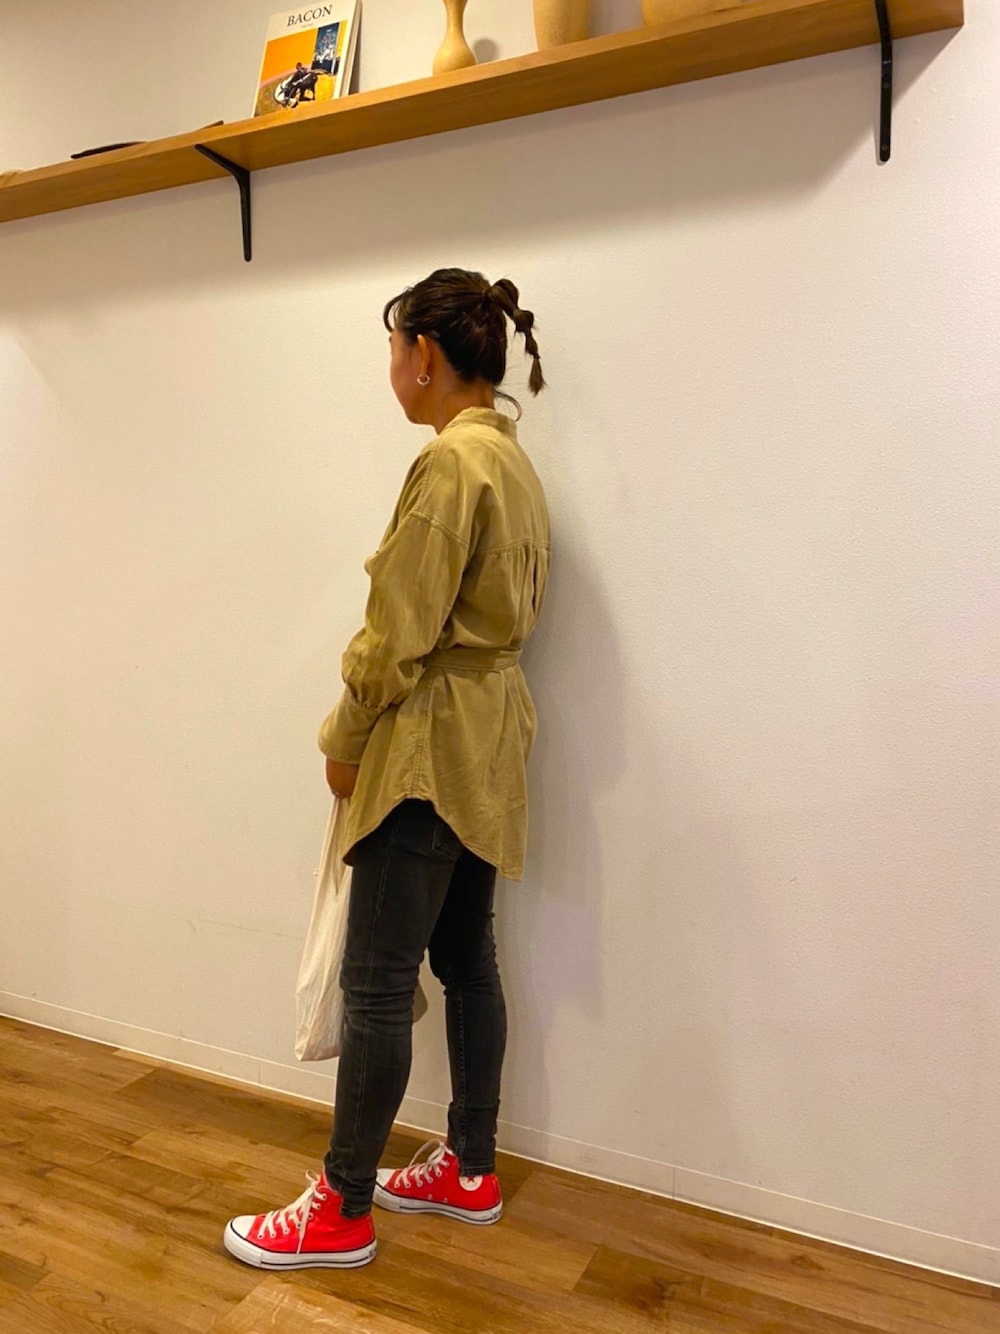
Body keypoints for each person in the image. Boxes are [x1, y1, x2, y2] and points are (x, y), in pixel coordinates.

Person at [223, 268, 551, 1270]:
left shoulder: (450, 464)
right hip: (489, 745)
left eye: (395, 347)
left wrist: (346, 734)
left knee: (374, 982)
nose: (392, 369)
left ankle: (342, 1208)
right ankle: (470, 1167)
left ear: (425, 355)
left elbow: (397, 627)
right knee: (468, 960)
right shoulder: (514, 462)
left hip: (427, 749)